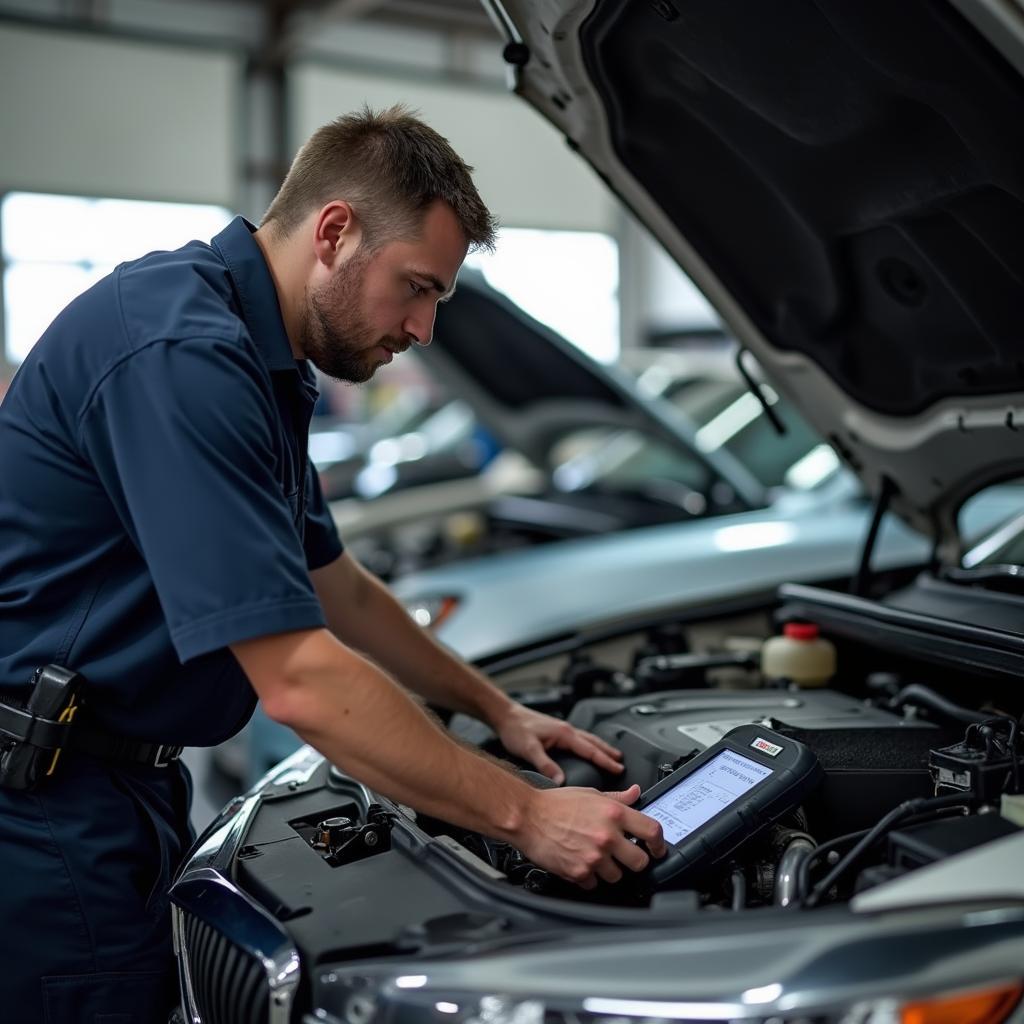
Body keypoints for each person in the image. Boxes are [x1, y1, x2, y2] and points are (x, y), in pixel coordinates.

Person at [0, 105, 665, 1022]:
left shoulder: (258, 359)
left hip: (121, 785)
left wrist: (497, 709)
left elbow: (336, 585)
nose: (425, 329)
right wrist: (529, 817)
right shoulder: (182, 353)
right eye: (417, 288)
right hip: (42, 813)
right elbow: (301, 682)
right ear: (336, 231)